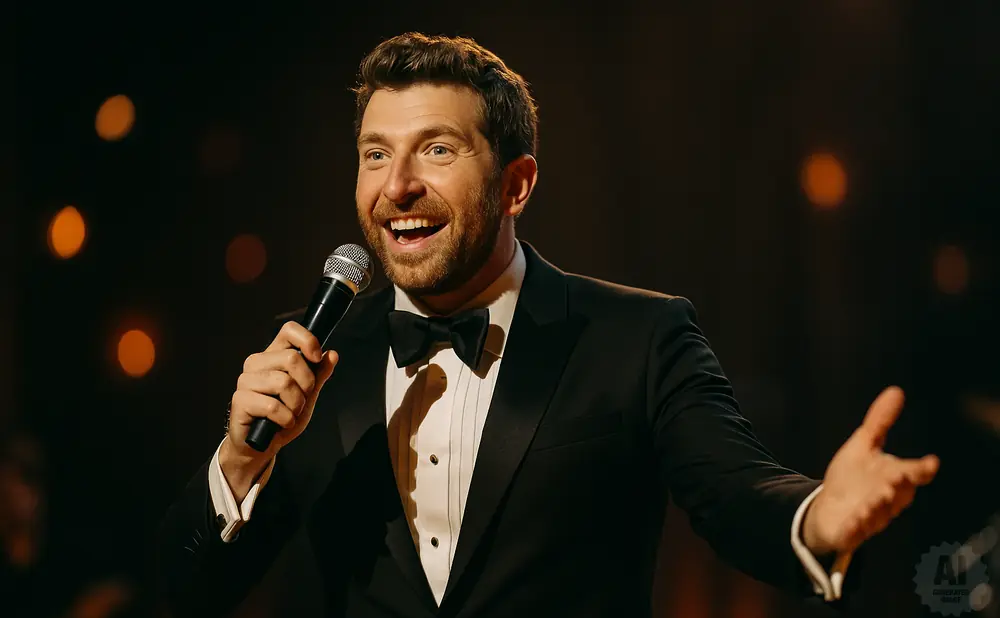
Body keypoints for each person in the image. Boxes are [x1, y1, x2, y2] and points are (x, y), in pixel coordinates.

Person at [155, 32, 940, 617]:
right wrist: (239, 460)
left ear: (516, 185)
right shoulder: (308, 353)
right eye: (374, 155)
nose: (396, 186)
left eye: (436, 150)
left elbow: (733, 493)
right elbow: (184, 593)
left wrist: (817, 519)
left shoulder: (640, 338)